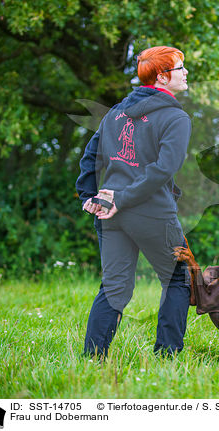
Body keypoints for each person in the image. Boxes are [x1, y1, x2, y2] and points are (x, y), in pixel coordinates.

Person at [76, 46, 191, 358]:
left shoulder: (115, 112)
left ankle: (92, 359)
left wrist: (89, 195)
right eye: (180, 68)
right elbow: (163, 169)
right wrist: (120, 198)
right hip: (152, 213)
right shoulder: (175, 117)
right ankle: (167, 358)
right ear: (163, 76)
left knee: (114, 287)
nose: (185, 73)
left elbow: (90, 156)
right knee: (179, 279)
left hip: (110, 211)